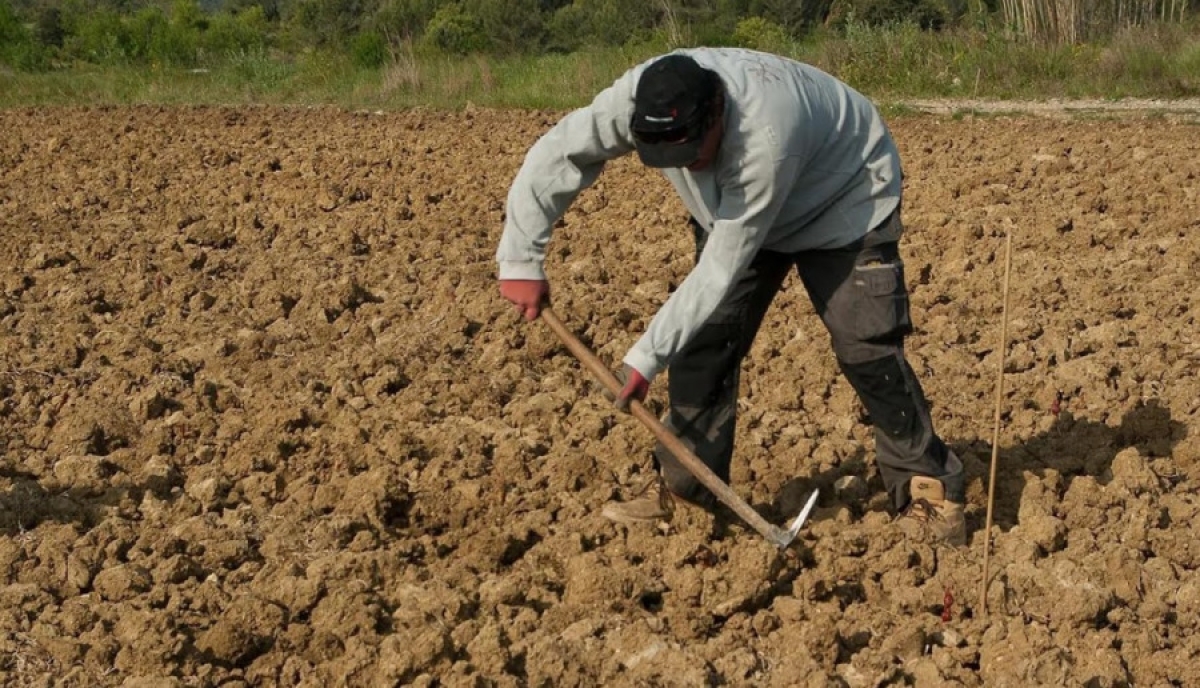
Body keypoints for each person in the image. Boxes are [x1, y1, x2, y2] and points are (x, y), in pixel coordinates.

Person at [495, 48, 966, 546]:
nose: (689, 168)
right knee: (703, 342)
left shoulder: (765, 137)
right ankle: (686, 494)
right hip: (736, 209)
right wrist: (521, 258)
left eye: (695, 153)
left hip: (844, 196)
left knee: (866, 346)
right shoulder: (635, 101)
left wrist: (644, 358)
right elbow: (558, 152)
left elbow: (721, 266)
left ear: (717, 112)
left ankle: (931, 490)